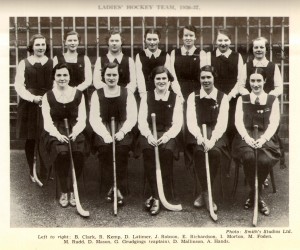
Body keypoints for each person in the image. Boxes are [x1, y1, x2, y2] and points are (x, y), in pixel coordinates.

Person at [232, 68, 280, 216]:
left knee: (265, 160)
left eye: (259, 80)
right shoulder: (243, 99)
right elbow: (238, 122)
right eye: (252, 81)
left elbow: (274, 123)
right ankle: (258, 198)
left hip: (265, 136)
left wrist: (263, 139)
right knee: (249, 157)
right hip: (244, 136)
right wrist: (247, 138)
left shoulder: (272, 99)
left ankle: (254, 194)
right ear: (248, 82)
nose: (256, 84)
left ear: (265, 81)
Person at [90, 62, 137, 205]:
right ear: (103, 76)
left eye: (114, 75)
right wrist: (105, 135)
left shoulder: (127, 92)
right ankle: (109, 187)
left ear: (119, 75)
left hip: (123, 128)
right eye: (108, 75)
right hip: (103, 128)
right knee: (105, 151)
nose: (111, 78)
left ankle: (120, 189)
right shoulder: (96, 94)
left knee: (121, 151)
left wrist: (122, 132)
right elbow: (94, 118)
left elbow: (132, 116)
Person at [238, 36, 285, 179]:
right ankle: (251, 168)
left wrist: (267, 97)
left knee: (267, 137)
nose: (258, 50)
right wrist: (250, 97)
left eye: (261, 47)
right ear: (252, 49)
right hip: (250, 104)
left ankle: (264, 169)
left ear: (266, 49)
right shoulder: (247, 66)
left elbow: (279, 87)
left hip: (268, 106)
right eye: (256, 47)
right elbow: (241, 86)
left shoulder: (272, 66)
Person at [138, 66, 183, 215]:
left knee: (166, 152)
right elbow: (142, 122)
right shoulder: (147, 96)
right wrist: (149, 136)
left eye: (164, 78)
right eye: (158, 78)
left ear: (169, 80)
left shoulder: (175, 97)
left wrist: (166, 136)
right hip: (150, 132)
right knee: (148, 151)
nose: (161, 81)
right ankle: (156, 196)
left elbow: (177, 123)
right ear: (153, 80)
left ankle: (161, 193)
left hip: (168, 133)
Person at [41, 63, 87, 208]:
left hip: (74, 130)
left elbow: (82, 118)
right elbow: (47, 122)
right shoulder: (48, 96)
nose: (62, 78)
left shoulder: (78, 94)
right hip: (55, 131)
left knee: (78, 153)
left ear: (70, 76)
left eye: (65, 75)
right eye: (59, 75)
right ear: (54, 77)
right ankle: (63, 190)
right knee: (62, 154)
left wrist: (76, 132)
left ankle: (73, 189)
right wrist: (57, 135)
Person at [186, 65, 229, 212]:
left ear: (213, 78)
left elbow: (222, 123)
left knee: (215, 153)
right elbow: (191, 121)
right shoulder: (193, 96)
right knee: (199, 153)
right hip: (198, 133)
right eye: (203, 77)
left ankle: (206, 192)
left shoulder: (223, 97)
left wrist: (212, 140)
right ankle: (206, 192)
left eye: (208, 77)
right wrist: (200, 137)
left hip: (216, 133)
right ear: (199, 79)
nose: (205, 80)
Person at [14, 33, 53, 182]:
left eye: (43, 44)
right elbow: (19, 85)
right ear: (32, 47)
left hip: (46, 102)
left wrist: (48, 98)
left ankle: (45, 170)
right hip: (29, 104)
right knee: (31, 139)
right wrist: (32, 98)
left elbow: (55, 83)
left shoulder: (51, 62)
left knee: (46, 136)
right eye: (37, 44)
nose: (40, 47)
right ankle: (32, 170)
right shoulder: (24, 62)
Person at [206, 28, 244, 146]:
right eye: (220, 40)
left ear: (230, 41)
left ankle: (233, 159)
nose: (223, 43)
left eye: (226, 40)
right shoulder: (209, 56)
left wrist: (230, 96)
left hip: (232, 97)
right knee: (215, 124)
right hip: (214, 97)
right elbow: (206, 76)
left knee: (231, 125)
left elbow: (240, 79)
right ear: (216, 42)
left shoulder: (237, 56)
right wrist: (217, 95)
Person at [135, 28, 181, 98]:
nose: (152, 42)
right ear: (145, 40)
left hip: (163, 93)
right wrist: (144, 96)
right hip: (145, 92)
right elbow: (139, 78)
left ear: (159, 40)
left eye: (154, 39)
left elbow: (171, 77)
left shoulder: (165, 56)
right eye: (149, 39)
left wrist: (179, 95)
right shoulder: (140, 56)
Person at [53, 30, 92, 109]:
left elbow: (88, 80)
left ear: (78, 42)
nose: (72, 43)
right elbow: (54, 79)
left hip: (80, 93)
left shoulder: (84, 58)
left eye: (75, 40)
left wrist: (75, 91)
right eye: (70, 40)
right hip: (62, 94)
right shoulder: (57, 58)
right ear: (65, 42)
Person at [93, 29, 136, 94]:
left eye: (117, 41)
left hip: (124, 96)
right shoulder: (100, 60)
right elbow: (97, 81)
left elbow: (133, 83)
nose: (114, 43)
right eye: (112, 41)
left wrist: (124, 93)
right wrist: (109, 92)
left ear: (121, 42)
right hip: (105, 96)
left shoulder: (129, 60)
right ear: (108, 42)